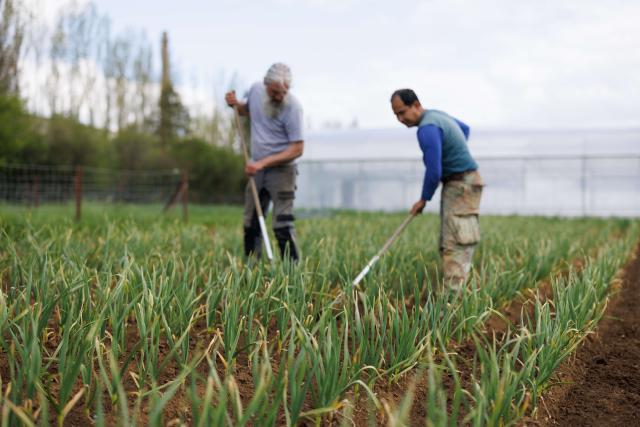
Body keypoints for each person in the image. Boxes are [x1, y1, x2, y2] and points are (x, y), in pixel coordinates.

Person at [390, 88, 483, 290]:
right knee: (460, 238)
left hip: (460, 185)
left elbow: (434, 171)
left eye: (402, 112)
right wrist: (453, 151)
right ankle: (460, 295)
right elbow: (464, 129)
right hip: (468, 181)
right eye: (396, 114)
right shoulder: (438, 116)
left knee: (453, 245)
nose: (400, 118)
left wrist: (423, 199)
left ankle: (453, 304)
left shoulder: (427, 129)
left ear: (416, 105)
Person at [225, 63, 304, 261]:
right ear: (266, 84)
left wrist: (263, 163)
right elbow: (246, 111)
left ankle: (291, 272)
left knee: (282, 224)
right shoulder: (255, 90)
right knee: (251, 222)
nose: (280, 96)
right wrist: (234, 104)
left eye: (284, 92)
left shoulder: (293, 107)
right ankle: (253, 269)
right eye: (275, 92)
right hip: (257, 169)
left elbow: (297, 148)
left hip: (282, 172)